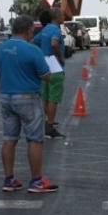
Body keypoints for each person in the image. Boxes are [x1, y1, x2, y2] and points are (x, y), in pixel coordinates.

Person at [0, 15, 59, 194]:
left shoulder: (0, 49)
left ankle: (9, 179)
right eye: (32, 31)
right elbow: (46, 75)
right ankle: (37, 181)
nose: (33, 33)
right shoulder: (32, 50)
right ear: (28, 30)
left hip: (6, 97)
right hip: (28, 97)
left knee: (9, 139)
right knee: (35, 139)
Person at [34, 8, 66, 139]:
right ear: (57, 17)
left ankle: (47, 121)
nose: (64, 17)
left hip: (44, 66)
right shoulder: (55, 30)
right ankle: (50, 126)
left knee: (46, 96)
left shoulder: (45, 30)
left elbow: (33, 42)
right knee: (54, 97)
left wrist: (40, 56)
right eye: (62, 15)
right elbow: (54, 44)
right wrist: (60, 57)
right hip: (55, 65)